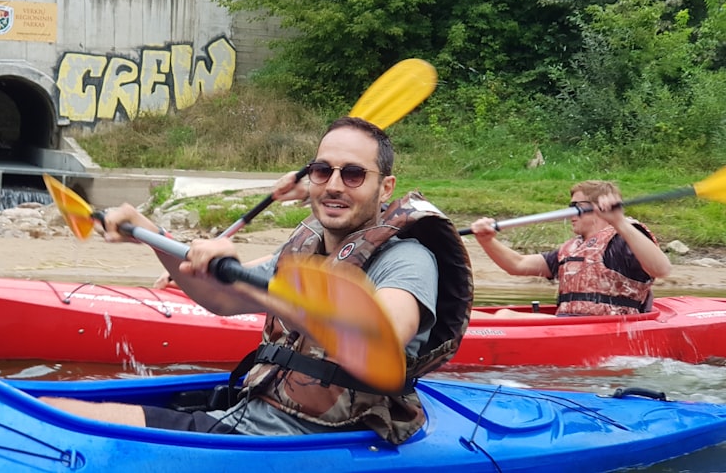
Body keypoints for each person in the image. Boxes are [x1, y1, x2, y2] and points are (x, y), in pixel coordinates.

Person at [41, 116, 473, 444]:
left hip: (306, 437)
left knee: (58, 417)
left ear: (386, 187)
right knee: (53, 406)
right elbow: (220, 299)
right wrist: (154, 236)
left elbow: (379, 338)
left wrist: (251, 283)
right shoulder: (306, 244)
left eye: (354, 174)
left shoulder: (408, 259)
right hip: (256, 410)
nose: (335, 185)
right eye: (322, 171)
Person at [469, 180, 672, 318]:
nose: (569, 213)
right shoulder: (573, 249)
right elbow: (517, 264)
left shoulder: (623, 239)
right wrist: (486, 240)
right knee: (465, 315)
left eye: (576, 206)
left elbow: (661, 269)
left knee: (506, 316)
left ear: (599, 207)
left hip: (610, 329)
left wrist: (619, 221)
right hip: (569, 326)